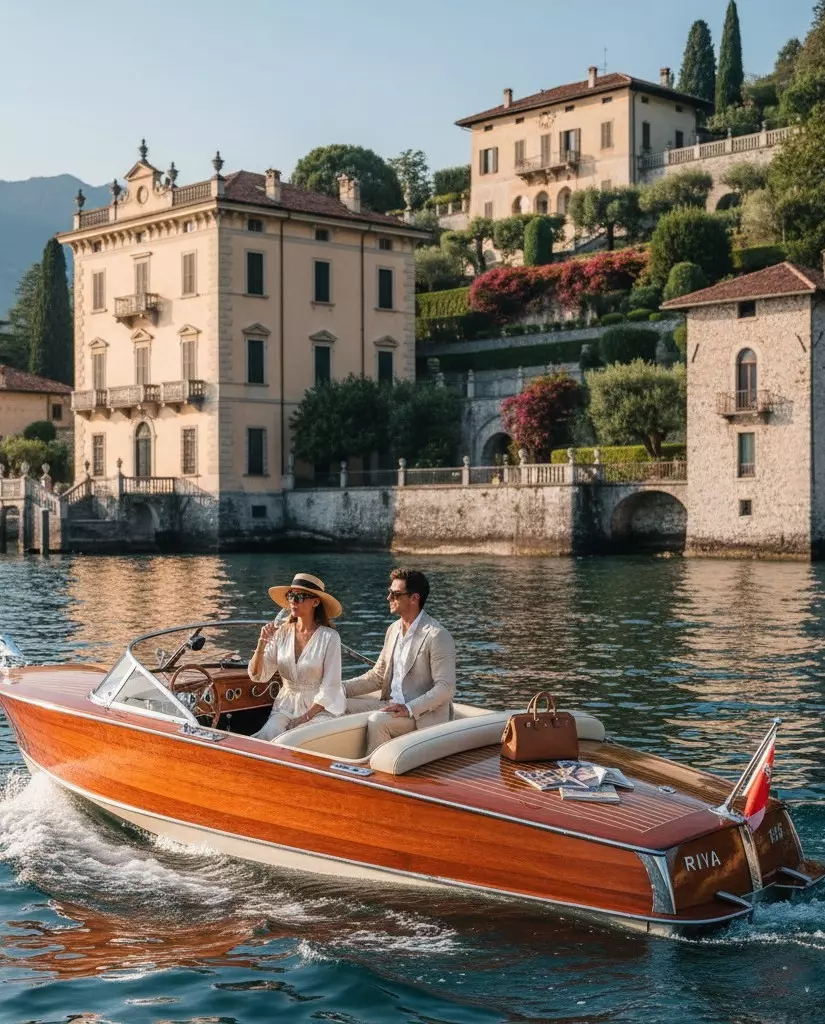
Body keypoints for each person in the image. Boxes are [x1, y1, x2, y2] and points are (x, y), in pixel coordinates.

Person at [345, 568, 456, 753]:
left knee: (377, 722)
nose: (389, 598)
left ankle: (374, 774)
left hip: (422, 715)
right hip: (391, 704)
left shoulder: (437, 635)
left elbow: (446, 688)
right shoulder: (393, 629)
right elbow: (378, 676)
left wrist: (409, 708)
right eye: (389, 592)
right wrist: (337, 688)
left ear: (414, 598)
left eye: (395, 594)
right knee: (337, 703)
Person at [249, 572, 346, 741]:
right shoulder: (281, 633)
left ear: (315, 602)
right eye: (291, 595)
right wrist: (261, 644)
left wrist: (304, 718)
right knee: (268, 735)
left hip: (320, 709)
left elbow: (331, 687)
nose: (293, 600)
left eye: (299, 596)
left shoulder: (330, 637)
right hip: (285, 705)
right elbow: (259, 676)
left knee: (293, 740)